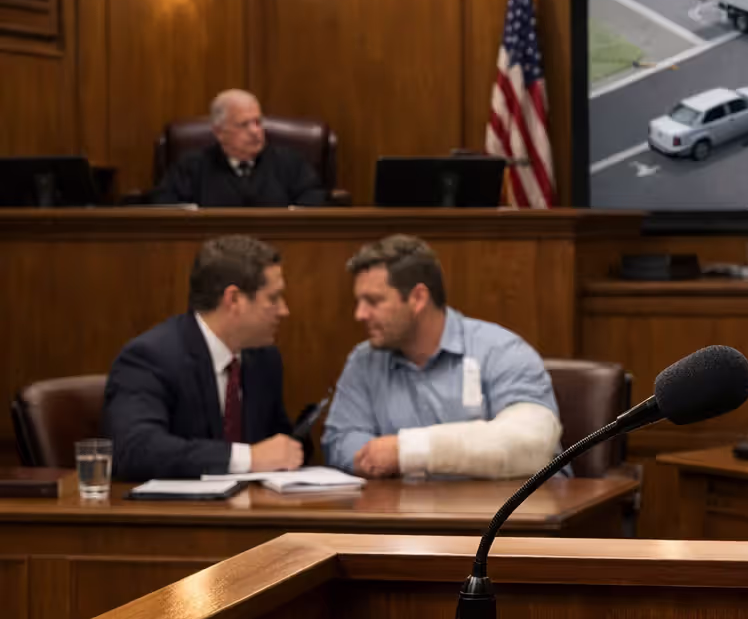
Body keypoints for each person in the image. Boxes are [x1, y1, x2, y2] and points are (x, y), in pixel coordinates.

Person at [322, 235, 563, 478]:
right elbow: (341, 440)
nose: (360, 314)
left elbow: (530, 442)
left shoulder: (502, 351)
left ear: (418, 298)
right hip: (408, 510)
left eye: (373, 301)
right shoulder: (365, 361)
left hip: (508, 511)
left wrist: (406, 452)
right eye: (359, 301)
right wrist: (373, 456)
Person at [103, 236, 303, 480]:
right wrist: (247, 458)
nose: (284, 310)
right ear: (234, 300)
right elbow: (135, 450)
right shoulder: (150, 357)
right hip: (176, 515)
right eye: (273, 298)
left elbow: (274, 446)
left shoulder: (263, 359)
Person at [151, 89, 326, 207]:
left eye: (258, 122)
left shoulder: (289, 163)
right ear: (219, 132)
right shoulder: (191, 167)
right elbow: (166, 206)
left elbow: (315, 199)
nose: (255, 132)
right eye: (244, 125)